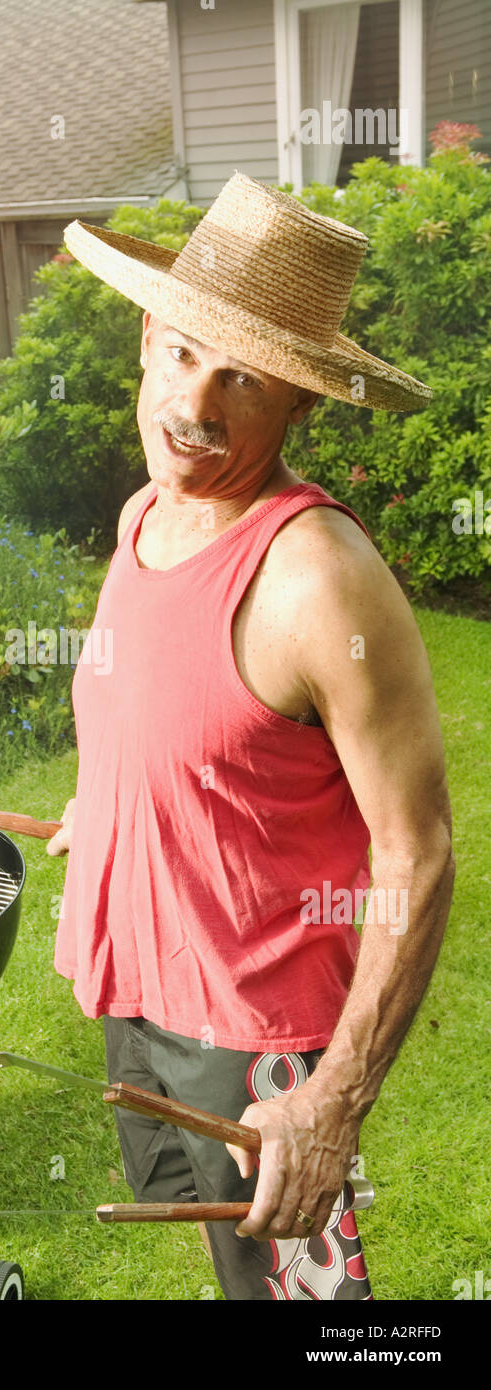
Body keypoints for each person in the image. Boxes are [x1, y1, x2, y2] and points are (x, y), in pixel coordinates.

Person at [46, 173, 455, 1300]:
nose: (196, 403)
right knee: (226, 1270)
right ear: (145, 334)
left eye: (245, 378)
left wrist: (331, 1101)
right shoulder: (147, 512)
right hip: (142, 990)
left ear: (301, 405)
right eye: (182, 354)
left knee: (309, 1309)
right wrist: (114, 813)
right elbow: (162, 713)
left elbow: (416, 854)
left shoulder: (320, 579)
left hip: (259, 1043)